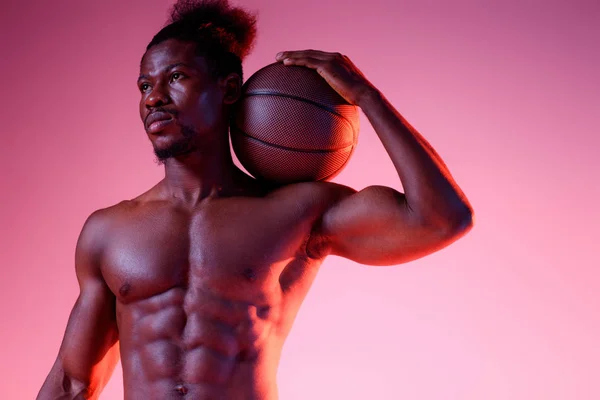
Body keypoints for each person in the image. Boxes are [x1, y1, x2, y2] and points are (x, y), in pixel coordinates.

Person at [37, 0, 473, 398]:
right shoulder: (108, 232)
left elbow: (442, 218)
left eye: (175, 78)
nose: (153, 98)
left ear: (228, 90)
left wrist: (366, 97)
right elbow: (73, 383)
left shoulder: (296, 211)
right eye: (144, 84)